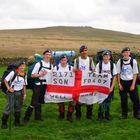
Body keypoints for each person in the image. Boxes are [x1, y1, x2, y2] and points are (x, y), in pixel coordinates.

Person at [23, 49, 53, 124]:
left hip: (44, 85)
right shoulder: (39, 64)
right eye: (47, 54)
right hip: (37, 84)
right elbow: (32, 75)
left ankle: (38, 117)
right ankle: (26, 118)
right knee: (34, 102)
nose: (48, 56)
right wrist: (40, 74)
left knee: (40, 101)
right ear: (43, 55)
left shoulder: (51, 65)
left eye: (49, 55)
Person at [1, 61, 26, 129]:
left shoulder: (24, 74)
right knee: (9, 107)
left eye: (23, 66)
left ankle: (17, 122)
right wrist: (9, 88)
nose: (22, 67)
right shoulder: (13, 72)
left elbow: (24, 85)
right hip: (12, 93)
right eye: (21, 66)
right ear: (18, 66)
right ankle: (4, 123)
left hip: (20, 93)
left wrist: (24, 94)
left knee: (18, 107)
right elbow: (5, 80)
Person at [116, 47, 140, 119]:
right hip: (123, 82)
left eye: (127, 52)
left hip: (131, 82)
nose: (126, 54)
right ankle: (124, 114)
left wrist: (133, 85)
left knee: (135, 100)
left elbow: (135, 74)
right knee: (123, 100)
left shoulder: (133, 61)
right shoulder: (119, 61)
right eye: (124, 52)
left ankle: (136, 114)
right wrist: (119, 84)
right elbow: (118, 74)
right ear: (122, 53)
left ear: (129, 53)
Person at [73, 45, 95, 120]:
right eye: (82, 51)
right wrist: (75, 70)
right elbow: (74, 70)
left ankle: (89, 115)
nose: (84, 52)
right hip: (79, 83)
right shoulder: (77, 60)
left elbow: (94, 70)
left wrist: (93, 71)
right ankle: (78, 115)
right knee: (79, 99)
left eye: (85, 50)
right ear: (80, 52)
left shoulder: (90, 60)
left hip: (88, 83)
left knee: (89, 99)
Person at [95, 50, 117, 120]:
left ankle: (107, 115)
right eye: (104, 56)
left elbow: (114, 77)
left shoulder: (112, 65)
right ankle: (100, 115)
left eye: (107, 56)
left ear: (110, 57)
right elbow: (96, 76)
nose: (106, 58)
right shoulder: (99, 64)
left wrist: (112, 87)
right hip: (101, 84)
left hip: (109, 84)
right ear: (102, 57)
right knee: (102, 100)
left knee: (108, 100)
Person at [54, 54, 74, 122]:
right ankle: (61, 115)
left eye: (65, 60)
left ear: (67, 60)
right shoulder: (56, 68)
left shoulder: (71, 68)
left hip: (69, 88)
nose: (63, 61)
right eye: (62, 60)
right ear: (60, 61)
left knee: (72, 102)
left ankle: (69, 116)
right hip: (60, 88)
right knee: (60, 102)